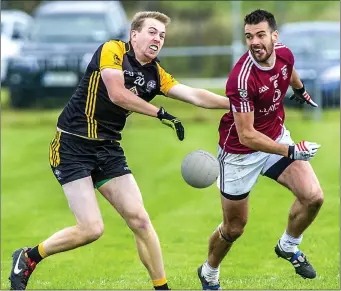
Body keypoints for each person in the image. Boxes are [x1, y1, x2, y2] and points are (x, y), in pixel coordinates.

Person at [9, 11, 231, 290]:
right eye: (152, 31)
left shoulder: (155, 73)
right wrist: (161, 113)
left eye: (162, 35)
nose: (157, 39)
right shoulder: (112, 50)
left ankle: (161, 287)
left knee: (139, 220)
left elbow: (195, 94)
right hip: (71, 146)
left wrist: (235, 104)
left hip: (108, 148)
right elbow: (117, 93)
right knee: (91, 229)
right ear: (134, 34)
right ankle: (29, 257)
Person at [197, 9, 323, 290]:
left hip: (275, 135)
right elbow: (248, 135)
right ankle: (209, 271)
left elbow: (289, 71)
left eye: (260, 35)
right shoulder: (242, 80)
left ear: (274, 37)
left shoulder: (284, 53)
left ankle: (288, 246)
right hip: (239, 154)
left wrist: (300, 90)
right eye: (249, 36)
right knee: (234, 228)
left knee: (313, 197)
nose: (255, 41)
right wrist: (290, 152)